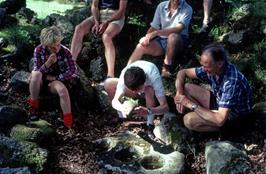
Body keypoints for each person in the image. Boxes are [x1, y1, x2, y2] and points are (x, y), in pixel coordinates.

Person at [174, 43, 253, 133]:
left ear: (219, 63)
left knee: (188, 120)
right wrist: (179, 93)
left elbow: (220, 120)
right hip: (220, 103)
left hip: (234, 117)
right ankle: (206, 116)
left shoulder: (231, 82)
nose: (203, 69)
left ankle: (225, 131)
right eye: (202, 65)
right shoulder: (212, 68)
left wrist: (189, 104)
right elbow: (182, 72)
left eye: (206, 66)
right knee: (187, 88)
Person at [104, 60, 169, 138]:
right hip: (135, 90)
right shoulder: (125, 76)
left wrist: (149, 111)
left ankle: (150, 125)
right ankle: (122, 117)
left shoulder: (153, 76)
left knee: (149, 89)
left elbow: (165, 107)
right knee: (108, 83)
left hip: (149, 91)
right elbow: (115, 101)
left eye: (138, 89)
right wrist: (122, 108)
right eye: (132, 89)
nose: (135, 91)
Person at [127, 0, 192, 77]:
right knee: (140, 46)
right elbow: (154, 26)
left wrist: (157, 33)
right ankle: (126, 73)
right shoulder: (161, 6)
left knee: (173, 37)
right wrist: (146, 37)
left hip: (179, 41)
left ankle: (166, 67)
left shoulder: (187, 8)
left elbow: (179, 28)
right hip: (162, 40)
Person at [28, 26, 77, 128]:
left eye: (58, 45)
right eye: (52, 47)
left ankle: (68, 121)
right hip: (41, 81)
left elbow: (72, 71)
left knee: (62, 90)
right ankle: (33, 107)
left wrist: (56, 78)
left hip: (55, 81)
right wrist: (48, 63)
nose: (56, 49)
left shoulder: (65, 51)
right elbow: (37, 70)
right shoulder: (39, 50)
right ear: (45, 45)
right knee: (35, 74)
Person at [71, 0, 127, 78]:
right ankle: (71, 63)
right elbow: (95, 6)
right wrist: (97, 22)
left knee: (106, 36)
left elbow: (121, 11)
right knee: (79, 28)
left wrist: (106, 22)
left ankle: (110, 74)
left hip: (115, 17)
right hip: (99, 15)